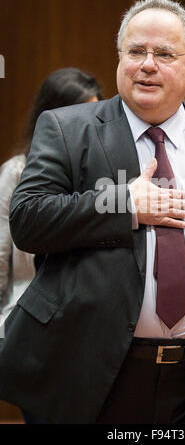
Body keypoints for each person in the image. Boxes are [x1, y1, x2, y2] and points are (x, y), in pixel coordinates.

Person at [0, 0, 185, 424]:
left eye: (164, 54)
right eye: (135, 52)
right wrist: (124, 204)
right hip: (93, 374)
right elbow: (28, 220)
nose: (147, 64)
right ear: (120, 59)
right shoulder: (67, 128)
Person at [0, 67, 102, 327]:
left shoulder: (105, 176)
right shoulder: (17, 172)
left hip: (88, 321)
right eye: (79, 120)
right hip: (25, 316)